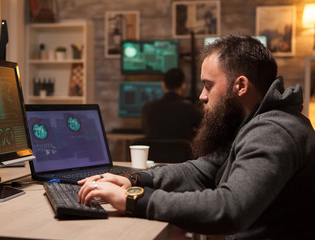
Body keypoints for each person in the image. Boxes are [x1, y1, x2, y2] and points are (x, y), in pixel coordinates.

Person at [78, 34, 315, 239]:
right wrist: (134, 180)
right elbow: (200, 171)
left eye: (208, 85)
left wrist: (133, 200)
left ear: (240, 86)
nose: (202, 96)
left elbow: (230, 208)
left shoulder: (273, 131)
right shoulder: (252, 123)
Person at [141, 68, 203, 140]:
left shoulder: (147, 108)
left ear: (163, 85)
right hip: (181, 151)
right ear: (183, 86)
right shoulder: (191, 110)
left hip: (155, 151)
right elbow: (203, 129)